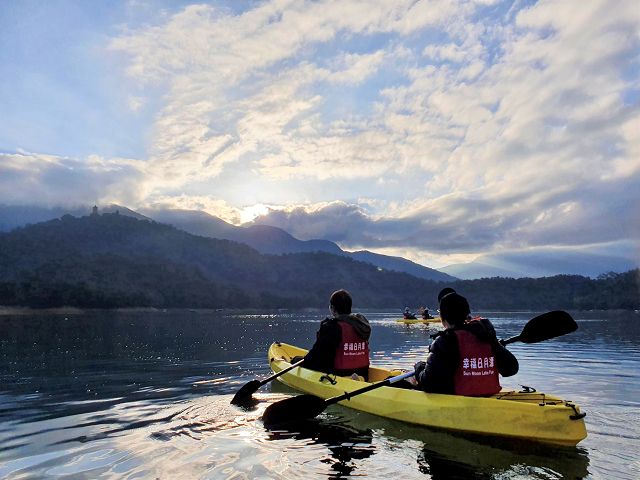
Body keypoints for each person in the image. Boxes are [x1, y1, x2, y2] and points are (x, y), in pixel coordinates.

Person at [413, 288, 518, 396]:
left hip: (458, 400)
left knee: (407, 384)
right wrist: (496, 344)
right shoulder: (486, 335)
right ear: (467, 314)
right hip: (487, 395)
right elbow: (511, 370)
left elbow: (429, 384)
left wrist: (419, 368)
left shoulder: (444, 341)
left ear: (443, 319)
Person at [301, 289, 371, 380]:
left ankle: (350, 379)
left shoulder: (332, 327)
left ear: (333, 308)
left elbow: (316, 355)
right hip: (363, 372)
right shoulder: (361, 325)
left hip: (339, 374)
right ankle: (357, 378)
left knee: (300, 360)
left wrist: (301, 362)